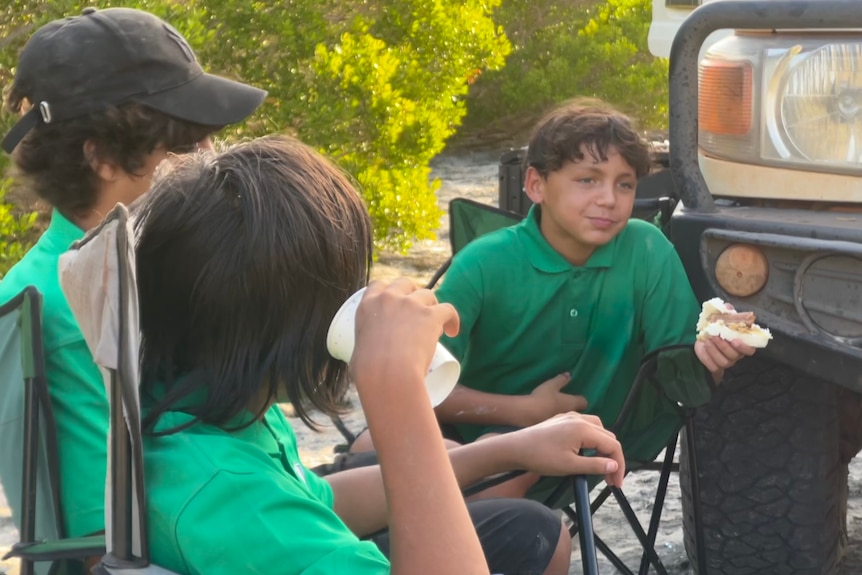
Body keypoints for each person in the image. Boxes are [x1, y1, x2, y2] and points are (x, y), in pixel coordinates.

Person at [133, 135, 626, 575]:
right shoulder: (234, 500)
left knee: (528, 529)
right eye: (346, 290)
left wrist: (506, 450)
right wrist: (397, 392)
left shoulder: (212, 406)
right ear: (289, 328)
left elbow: (320, 499)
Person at [0, 5, 266, 549]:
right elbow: (106, 543)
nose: (209, 161)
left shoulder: (68, 278)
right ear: (101, 156)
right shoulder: (84, 309)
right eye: (186, 146)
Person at [425, 99, 755, 498]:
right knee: (370, 447)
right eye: (587, 180)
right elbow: (419, 389)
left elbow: (682, 379)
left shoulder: (646, 249)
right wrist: (523, 412)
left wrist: (714, 354)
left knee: (507, 477)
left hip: (599, 440)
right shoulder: (482, 262)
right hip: (469, 437)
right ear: (535, 185)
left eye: (625, 184)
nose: (609, 199)